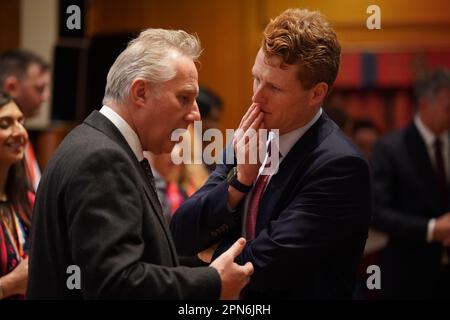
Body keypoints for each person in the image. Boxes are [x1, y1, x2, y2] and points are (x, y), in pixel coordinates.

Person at [26, 29, 253, 299]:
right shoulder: (101, 158)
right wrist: (212, 282)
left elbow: (145, 261)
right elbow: (116, 283)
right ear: (141, 92)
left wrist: (208, 266)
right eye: (184, 98)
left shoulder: (97, 142)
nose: (194, 115)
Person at [171, 8, 371, 299]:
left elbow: (268, 266)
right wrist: (240, 183)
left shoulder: (340, 165)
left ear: (317, 93)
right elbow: (181, 233)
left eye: (274, 88)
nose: (256, 96)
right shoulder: (251, 135)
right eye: (256, 78)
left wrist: (209, 252)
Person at [371, 69, 450, 299]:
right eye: (448, 108)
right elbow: (377, 212)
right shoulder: (390, 148)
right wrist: (431, 229)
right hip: (409, 274)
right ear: (425, 104)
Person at [0, 49, 51, 191]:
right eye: (39, 88)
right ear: (11, 87)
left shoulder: (26, 137)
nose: (45, 97)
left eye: (21, 122)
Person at [0, 92, 34, 299]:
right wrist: (9, 285)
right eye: (5, 123)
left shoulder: (29, 201)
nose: (20, 131)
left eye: (21, 121)